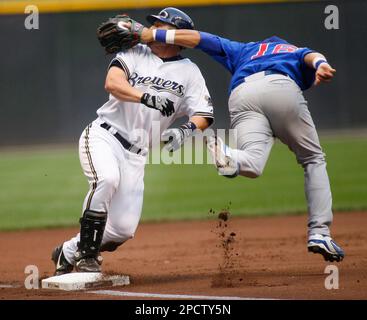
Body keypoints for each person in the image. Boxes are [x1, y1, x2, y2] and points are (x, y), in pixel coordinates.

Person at [136, 15, 345, 262]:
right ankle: (319, 233)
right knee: (312, 159)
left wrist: (152, 34)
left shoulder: (244, 49)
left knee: (253, 163)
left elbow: (199, 39)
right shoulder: (292, 50)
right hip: (281, 87)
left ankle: (230, 156)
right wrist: (321, 63)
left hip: (242, 93)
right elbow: (312, 56)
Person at [51, 7, 214, 275]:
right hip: (105, 135)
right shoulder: (134, 52)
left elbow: (204, 114)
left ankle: (67, 252)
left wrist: (185, 130)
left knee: (122, 229)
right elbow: (112, 83)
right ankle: (88, 255)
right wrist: (145, 96)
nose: (154, 29)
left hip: (137, 155)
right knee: (107, 179)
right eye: (156, 23)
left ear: (179, 35)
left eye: (163, 25)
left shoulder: (190, 72)